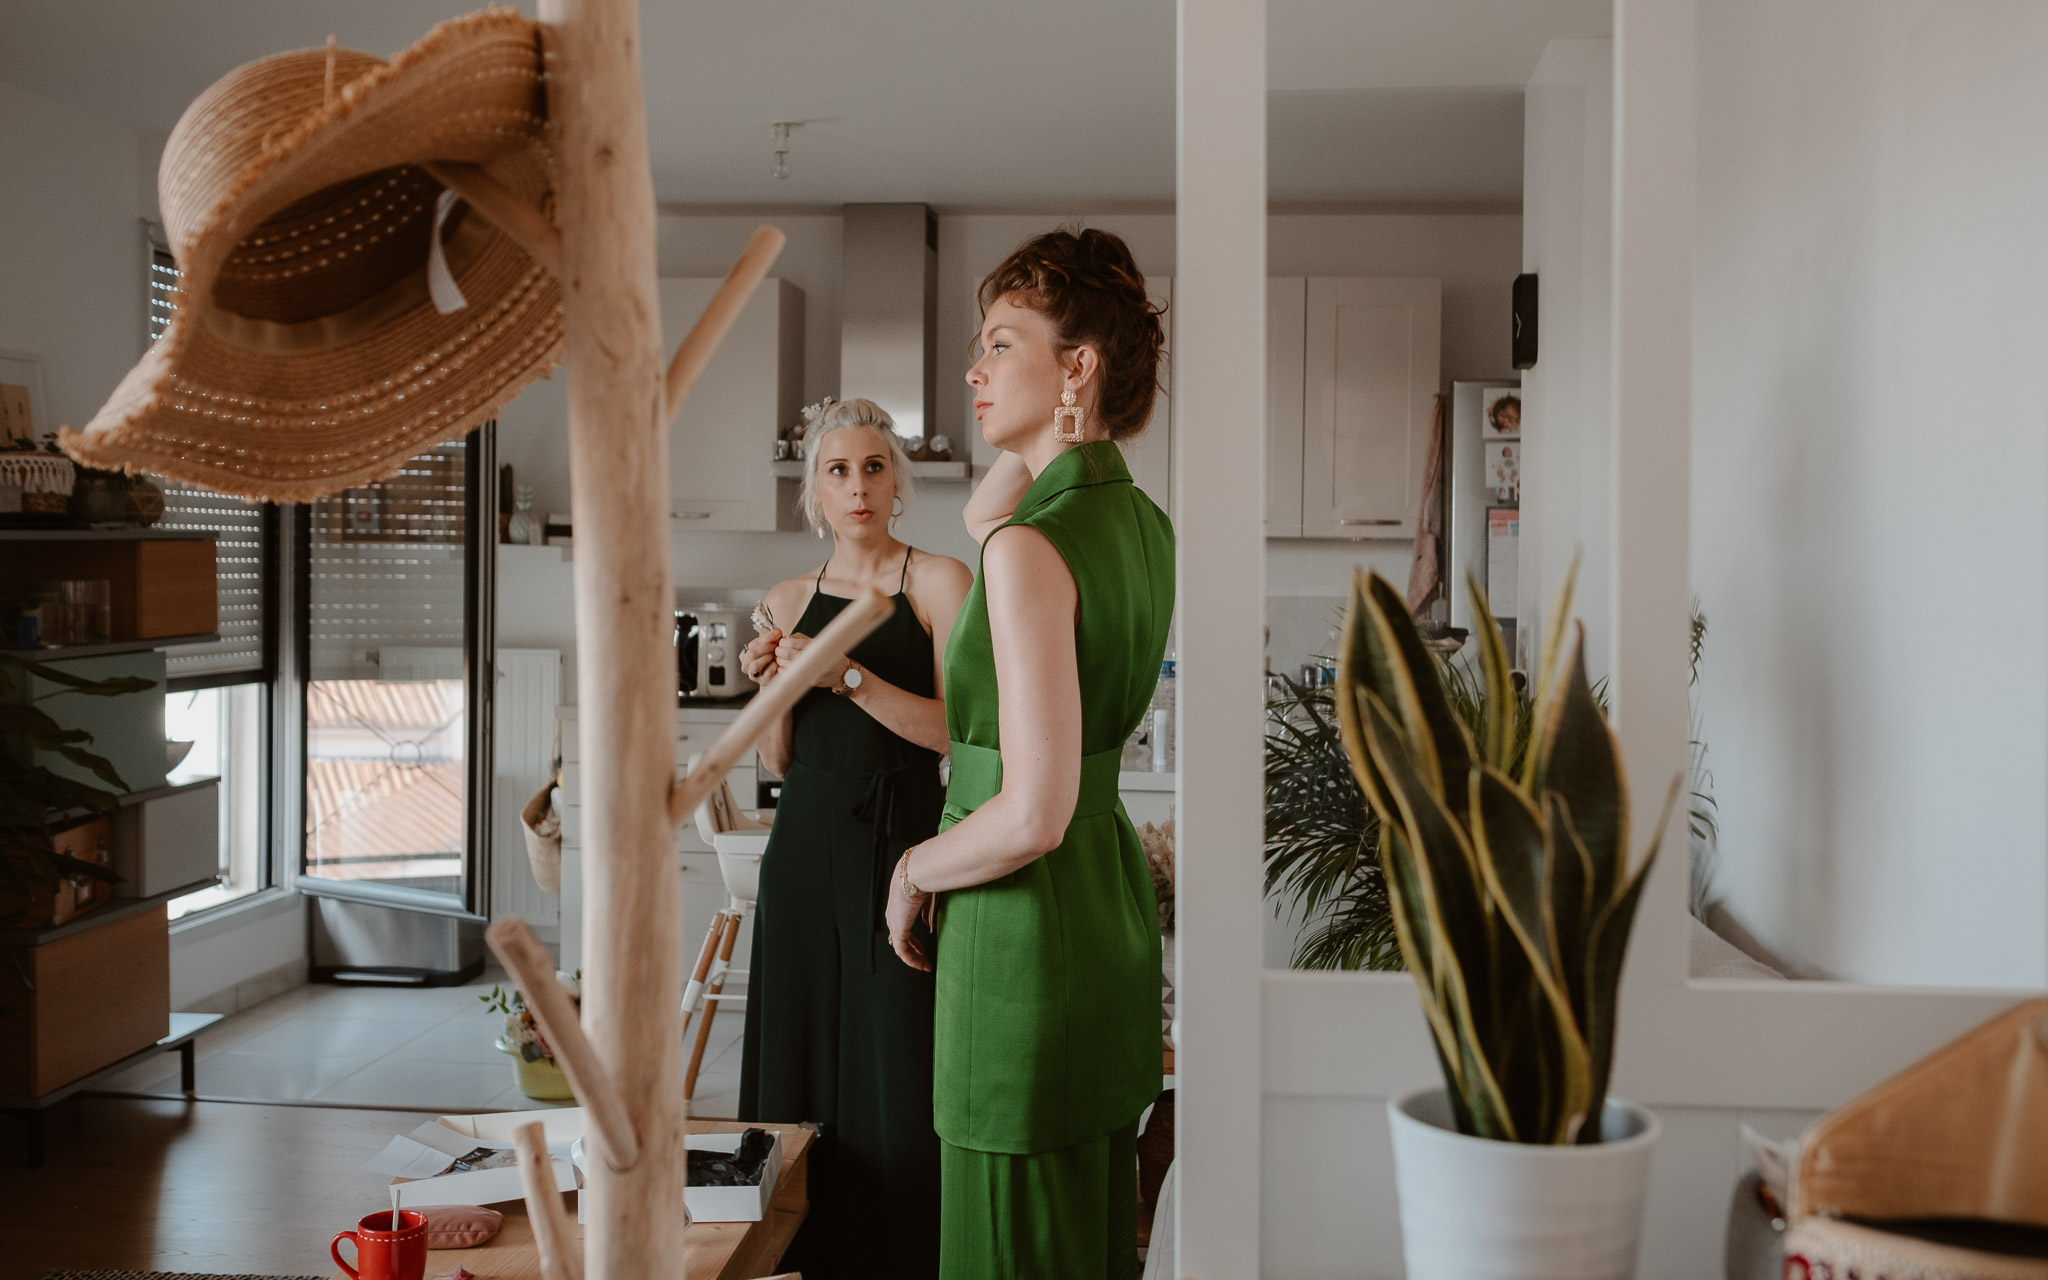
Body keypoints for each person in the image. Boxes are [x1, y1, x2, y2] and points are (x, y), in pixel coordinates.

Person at [884, 229, 1174, 1280]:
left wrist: (914, 865)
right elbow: (981, 508)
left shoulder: (1027, 548)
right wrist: (1048, 415)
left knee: (1006, 1245)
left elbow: (1029, 809)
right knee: (1084, 1236)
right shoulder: (1135, 520)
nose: (973, 368)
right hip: (1098, 912)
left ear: (1078, 365)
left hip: (1018, 926)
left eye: (1000, 343)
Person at [736, 397, 973, 1280]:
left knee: (897, 1067)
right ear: (815, 492)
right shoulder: (785, 600)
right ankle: (791, 1258)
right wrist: (772, 686)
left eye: (874, 466)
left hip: (901, 849)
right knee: (795, 1059)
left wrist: (845, 673)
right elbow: (780, 757)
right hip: (803, 848)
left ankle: (903, 1259)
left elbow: (961, 735)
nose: (858, 485)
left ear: (898, 481)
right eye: (838, 470)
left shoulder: (940, 583)